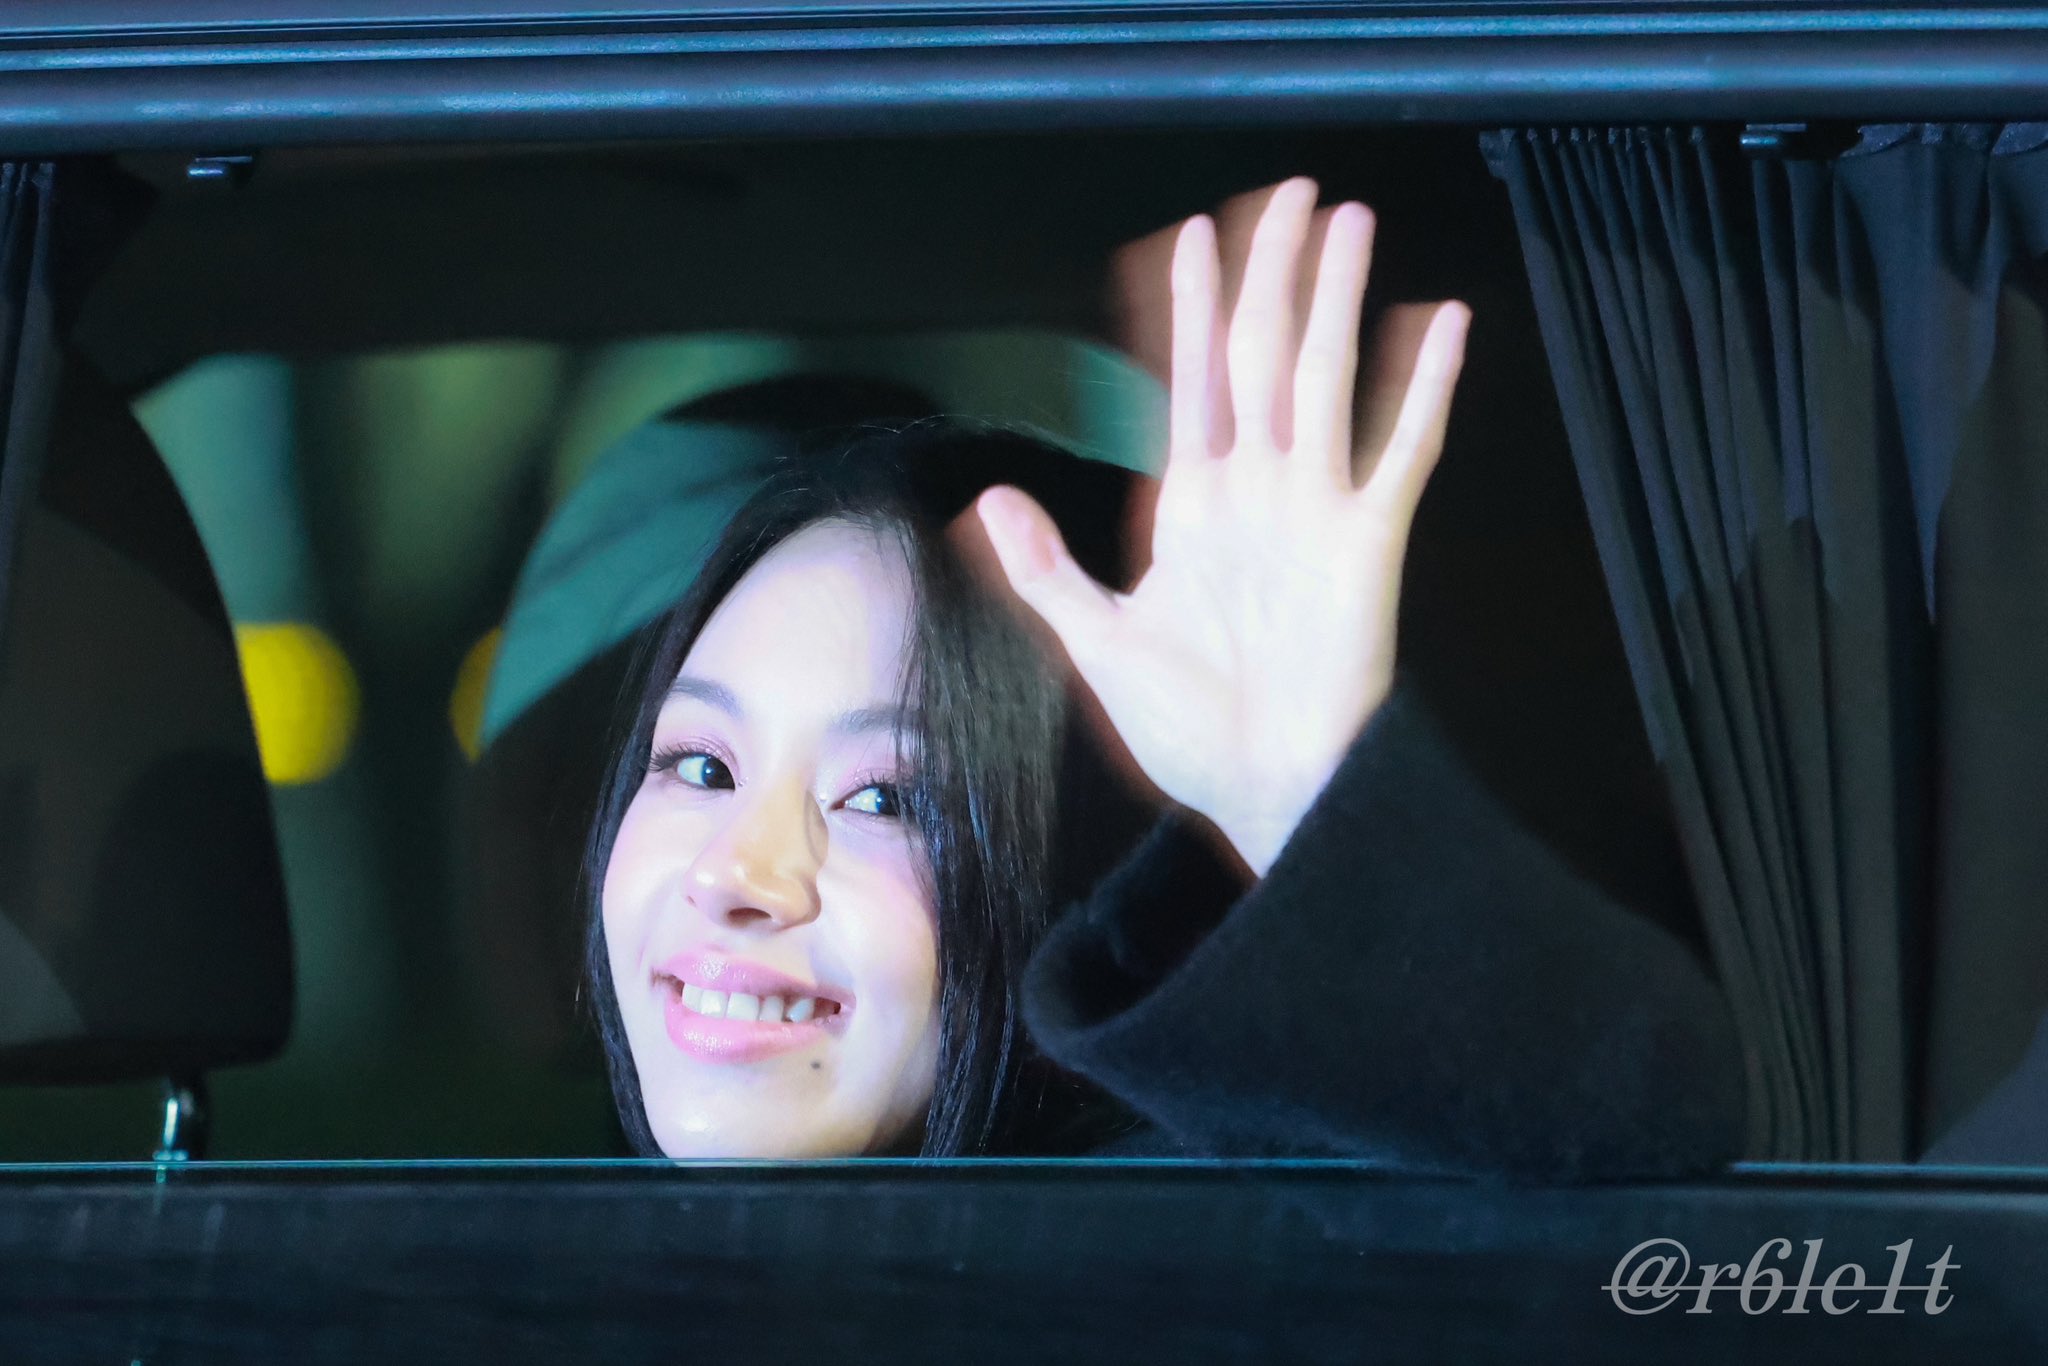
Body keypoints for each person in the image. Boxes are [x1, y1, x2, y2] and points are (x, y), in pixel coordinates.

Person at [584, 179, 1747, 1176]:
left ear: (1081, 877)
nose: (737, 873)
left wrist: (1301, 799)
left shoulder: (1210, 1261)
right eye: (699, 766)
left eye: (886, 798)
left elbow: (1634, 1162)